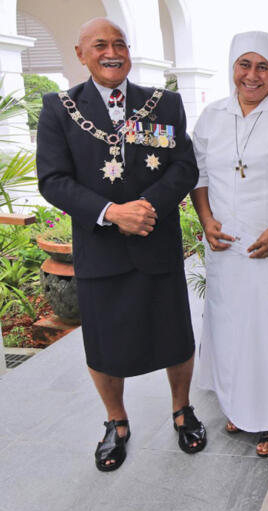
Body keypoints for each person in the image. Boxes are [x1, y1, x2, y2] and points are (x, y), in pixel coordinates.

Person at [36, 18, 206, 472]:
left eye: (119, 44)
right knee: (104, 344)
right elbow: (52, 181)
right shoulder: (59, 108)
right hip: (100, 250)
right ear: (80, 54)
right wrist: (112, 213)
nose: (112, 52)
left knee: (175, 336)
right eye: (100, 45)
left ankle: (182, 408)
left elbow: (183, 166)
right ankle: (116, 421)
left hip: (156, 241)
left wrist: (144, 207)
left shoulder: (163, 104)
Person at [190, 31, 268, 457]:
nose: (252, 75)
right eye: (244, 65)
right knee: (232, 327)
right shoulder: (212, 115)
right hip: (227, 247)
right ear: (232, 68)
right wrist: (206, 221)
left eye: (263, 66)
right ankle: (241, 404)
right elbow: (200, 176)